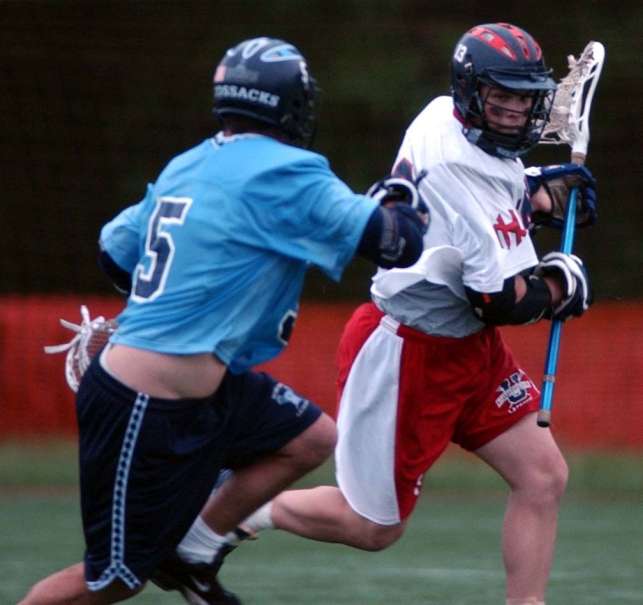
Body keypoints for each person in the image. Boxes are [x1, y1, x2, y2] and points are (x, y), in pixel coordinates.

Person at [169, 23, 598, 605]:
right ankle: (238, 508)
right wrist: (560, 286)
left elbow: (490, 198)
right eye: (502, 97)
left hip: (468, 347)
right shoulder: (454, 165)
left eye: (525, 98)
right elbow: (499, 299)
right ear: (473, 93)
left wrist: (536, 191)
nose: (517, 112)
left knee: (542, 476)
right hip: (409, 351)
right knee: (371, 527)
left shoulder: (446, 115)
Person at [18, 36, 428, 605]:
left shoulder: (189, 162)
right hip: (145, 402)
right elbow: (398, 243)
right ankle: (178, 553)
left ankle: (195, 547)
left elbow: (115, 250)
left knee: (310, 439)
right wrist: (400, 198)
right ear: (291, 105)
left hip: (198, 385)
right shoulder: (289, 172)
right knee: (111, 581)